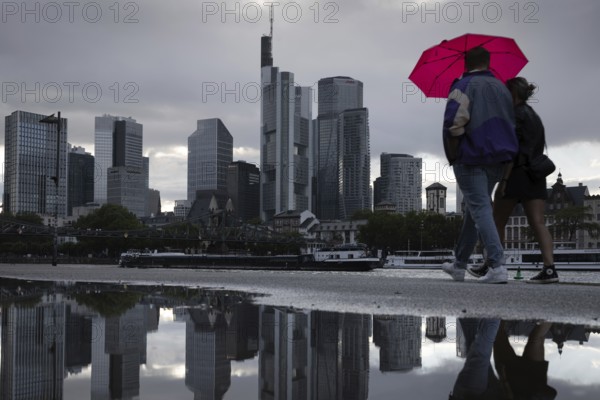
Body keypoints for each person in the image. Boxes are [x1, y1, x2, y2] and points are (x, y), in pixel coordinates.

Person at [469, 77, 558, 284]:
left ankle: (493, 264)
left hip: (516, 173)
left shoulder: (514, 115)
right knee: (538, 223)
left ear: (513, 94)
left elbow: (512, 152)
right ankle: (550, 269)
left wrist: (504, 181)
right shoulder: (534, 116)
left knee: (495, 221)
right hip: (536, 174)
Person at [441, 46, 518, 284]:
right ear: (489, 62)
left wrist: (454, 155)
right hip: (499, 159)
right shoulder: (503, 88)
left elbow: (453, 124)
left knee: (481, 209)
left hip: (472, 157)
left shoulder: (463, 86)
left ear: (466, 64)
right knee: (474, 210)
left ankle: (497, 265)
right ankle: (459, 264)